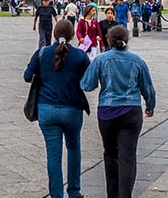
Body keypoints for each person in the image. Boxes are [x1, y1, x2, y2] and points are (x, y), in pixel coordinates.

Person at [81, 25, 156, 198]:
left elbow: (87, 84)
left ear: (108, 41)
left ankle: (112, 194)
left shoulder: (101, 60)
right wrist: (150, 106)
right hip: (131, 111)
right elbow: (148, 88)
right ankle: (125, 194)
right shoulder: (137, 61)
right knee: (127, 155)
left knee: (110, 154)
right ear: (127, 40)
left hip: (107, 112)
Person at [24, 19, 91, 198]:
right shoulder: (80, 55)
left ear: (54, 34)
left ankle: (56, 194)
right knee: (73, 147)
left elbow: (27, 76)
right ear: (72, 35)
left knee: (53, 154)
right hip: (72, 109)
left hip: (47, 109)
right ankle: (74, 191)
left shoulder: (42, 53)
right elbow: (89, 81)